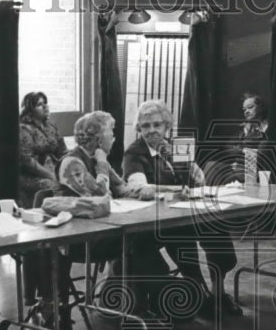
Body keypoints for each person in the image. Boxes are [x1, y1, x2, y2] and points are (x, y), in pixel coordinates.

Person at [122, 99, 243, 316]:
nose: (151, 131)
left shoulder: (175, 147)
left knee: (215, 228)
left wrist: (196, 175)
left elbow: (198, 181)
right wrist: (175, 190)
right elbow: (138, 187)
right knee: (181, 237)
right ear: (139, 128)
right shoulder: (134, 153)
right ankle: (198, 292)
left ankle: (218, 292)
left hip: (182, 215)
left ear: (166, 126)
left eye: (157, 125)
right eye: (145, 126)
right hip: (151, 223)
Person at [46, 111, 168, 318]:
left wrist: (153, 190)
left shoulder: (99, 160)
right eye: (111, 132)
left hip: (106, 231)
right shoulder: (72, 162)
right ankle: (140, 305)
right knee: (139, 241)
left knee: (146, 237)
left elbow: (122, 188)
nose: (114, 137)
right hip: (79, 239)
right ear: (98, 137)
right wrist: (102, 163)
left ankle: (141, 302)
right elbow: (97, 195)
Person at [18, 91, 67, 210]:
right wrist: (50, 175)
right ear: (29, 110)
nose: (45, 106)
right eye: (40, 104)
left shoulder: (51, 127)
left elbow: (63, 152)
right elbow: (27, 160)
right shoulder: (23, 129)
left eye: (45, 103)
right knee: (55, 186)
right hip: (31, 175)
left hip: (53, 170)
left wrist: (69, 168)